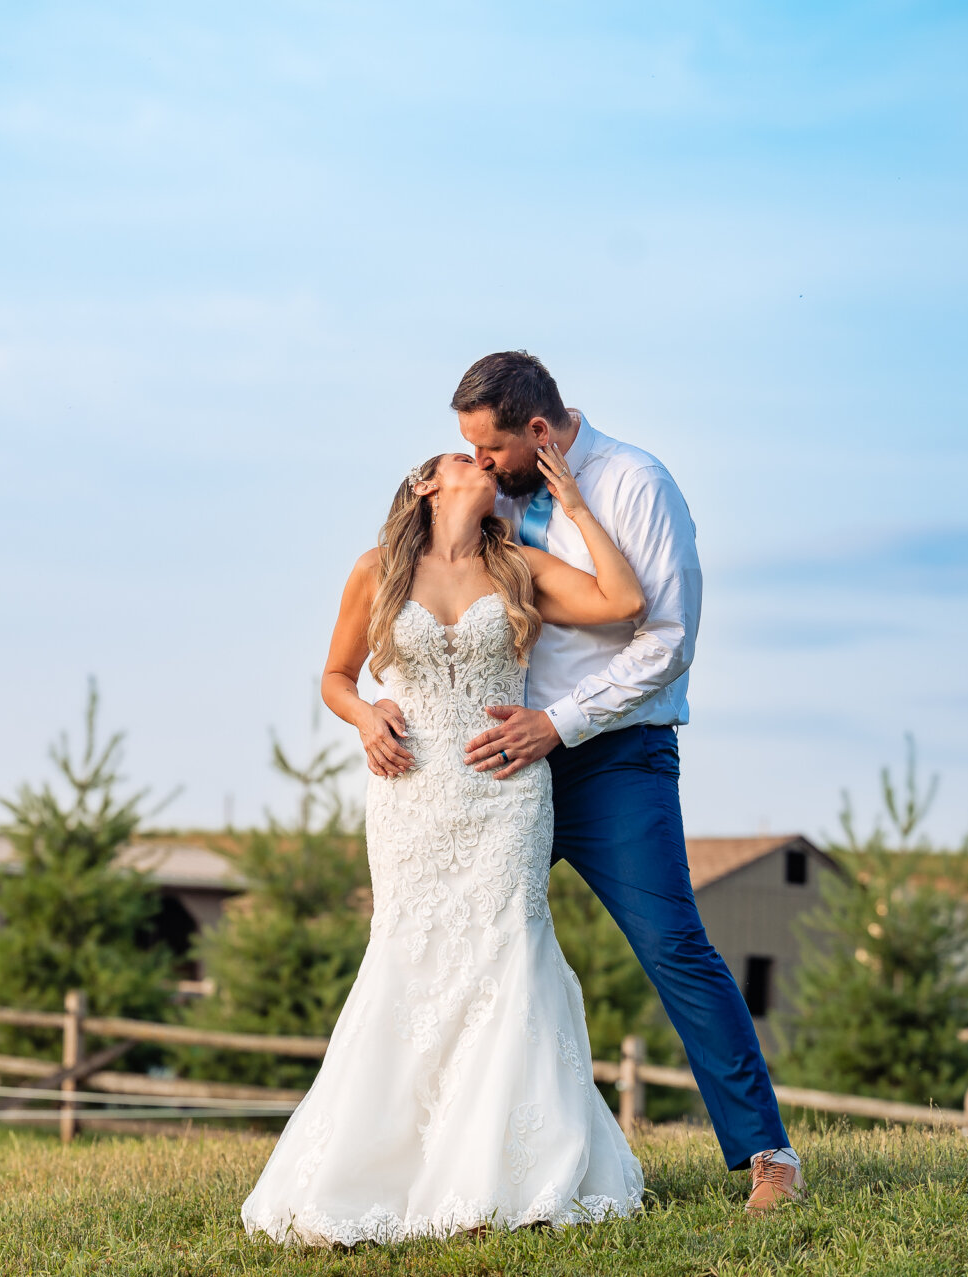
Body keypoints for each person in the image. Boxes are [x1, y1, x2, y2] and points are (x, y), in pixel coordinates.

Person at [242, 441, 648, 1246]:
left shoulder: (520, 568)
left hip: (506, 796)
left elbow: (623, 600)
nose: (484, 463)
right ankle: (384, 1166)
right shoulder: (376, 569)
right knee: (411, 957)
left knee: (506, 958)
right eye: (463, 458)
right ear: (427, 483)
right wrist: (365, 716)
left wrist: (573, 503)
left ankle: (506, 1174)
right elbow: (335, 674)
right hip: (411, 796)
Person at [448, 350, 803, 1213]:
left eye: (490, 449)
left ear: (539, 430)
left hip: (614, 761)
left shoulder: (638, 484)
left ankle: (769, 1155)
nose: (481, 466)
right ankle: (460, 1156)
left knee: (673, 945)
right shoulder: (494, 500)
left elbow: (668, 641)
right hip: (505, 762)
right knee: (462, 946)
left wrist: (560, 722)